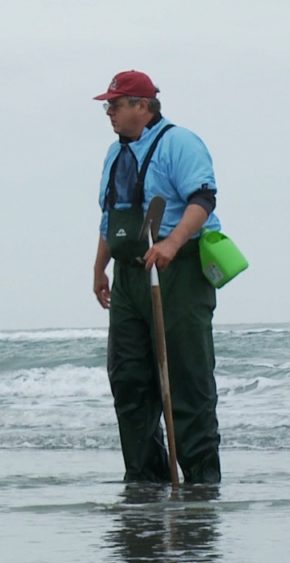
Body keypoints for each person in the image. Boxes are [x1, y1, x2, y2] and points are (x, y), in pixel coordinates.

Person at [92, 70, 223, 484]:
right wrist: (99, 267)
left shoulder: (179, 143)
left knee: (186, 377)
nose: (109, 111)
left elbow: (203, 198)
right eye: (108, 105)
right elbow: (110, 215)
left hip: (177, 269)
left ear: (143, 107)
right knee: (128, 379)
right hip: (129, 273)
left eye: (116, 104)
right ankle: (144, 482)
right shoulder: (115, 154)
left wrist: (172, 242)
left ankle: (202, 482)